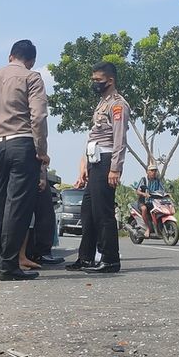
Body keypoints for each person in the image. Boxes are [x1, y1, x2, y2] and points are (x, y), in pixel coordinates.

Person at [0, 39, 49, 281]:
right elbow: (38, 116)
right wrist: (41, 150)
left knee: (0, 203)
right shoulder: (32, 77)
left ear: (10, 56)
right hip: (22, 143)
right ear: (31, 60)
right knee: (18, 206)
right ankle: (9, 265)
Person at [66, 61, 130, 274]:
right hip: (94, 160)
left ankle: (110, 259)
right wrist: (83, 163)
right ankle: (85, 258)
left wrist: (115, 168)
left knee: (103, 212)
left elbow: (119, 139)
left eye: (97, 80)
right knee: (88, 212)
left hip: (106, 160)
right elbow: (92, 137)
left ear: (110, 80)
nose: (94, 83)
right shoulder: (102, 103)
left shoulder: (118, 104)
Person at [136, 163, 165, 238]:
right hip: (143, 202)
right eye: (152, 170)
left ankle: (159, 228)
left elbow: (162, 190)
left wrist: (167, 194)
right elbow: (137, 191)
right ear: (147, 171)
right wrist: (144, 194)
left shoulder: (157, 181)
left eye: (155, 171)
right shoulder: (144, 180)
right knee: (144, 209)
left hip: (154, 202)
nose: (154, 172)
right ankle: (148, 228)